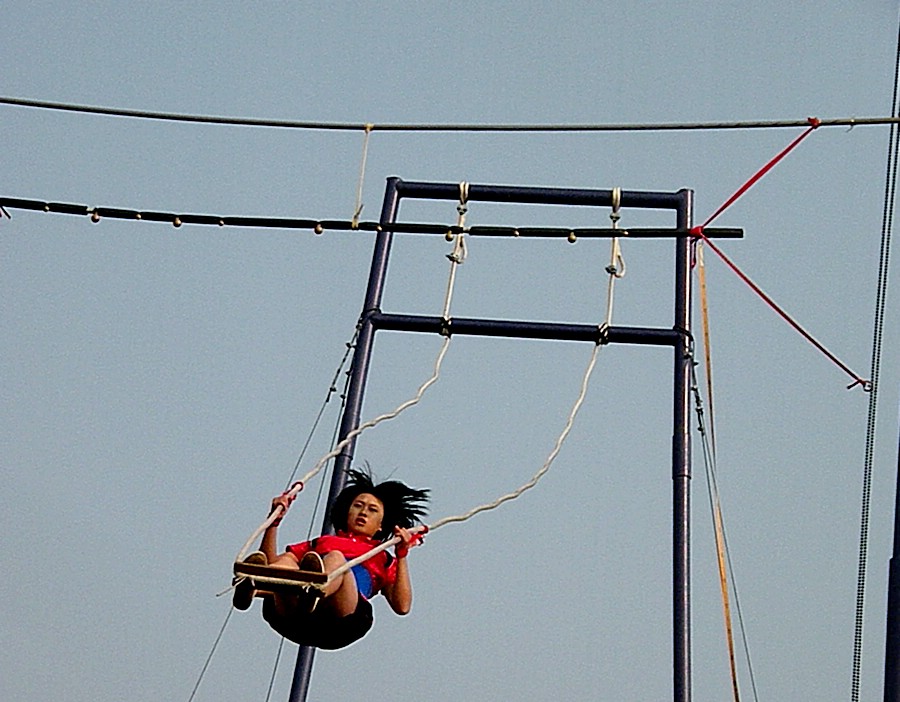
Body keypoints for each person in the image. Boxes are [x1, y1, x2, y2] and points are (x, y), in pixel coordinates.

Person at [233, 467, 429, 650]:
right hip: (294, 616)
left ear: (381, 525)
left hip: (340, 620)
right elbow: (270, 564)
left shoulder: (383, 556)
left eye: (372, 510)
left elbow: (402, 606)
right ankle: (254, 586)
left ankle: (315, 591)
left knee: (335, 559)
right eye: (358, 506)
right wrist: (274, 523)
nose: (363, 512)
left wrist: (401, 555)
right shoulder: (322, 542)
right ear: (347, 512)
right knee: (286, 561)